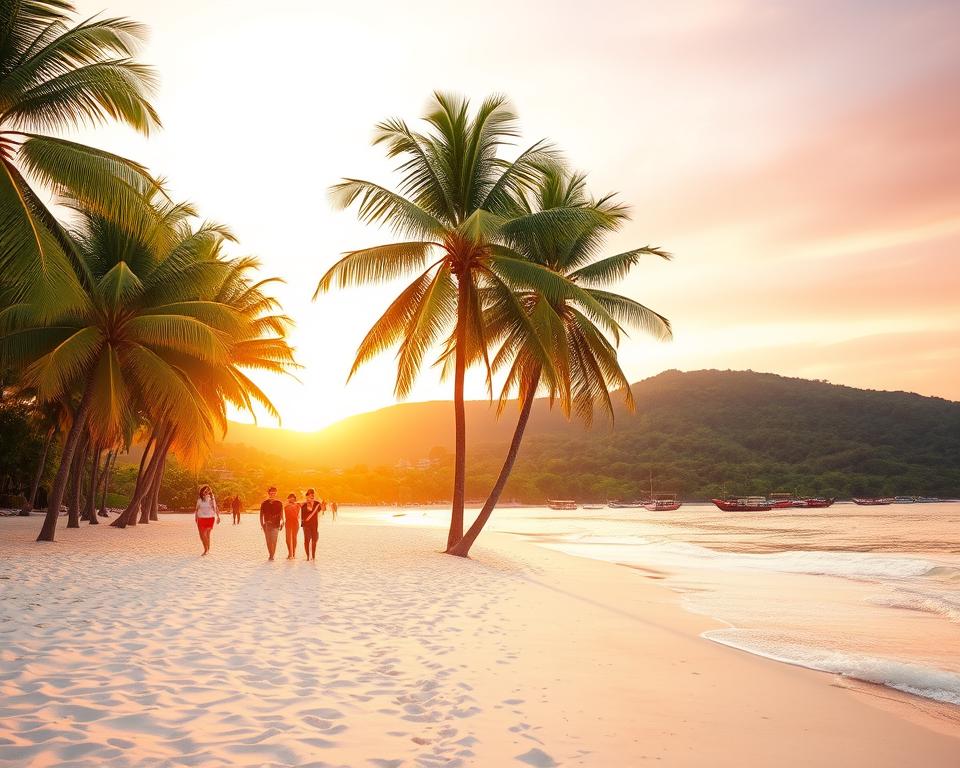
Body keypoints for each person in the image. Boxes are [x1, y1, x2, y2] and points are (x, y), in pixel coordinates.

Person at [195, 485, 220, 555]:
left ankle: (206, 549)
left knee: (205, 534)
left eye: (208, 491)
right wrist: (195, 517)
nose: (206, 492)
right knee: (202, 535)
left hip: (210, 518)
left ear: (210, 492)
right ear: (202, 492)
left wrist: (218, 517)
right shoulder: (199, 500)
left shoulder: (212, 500)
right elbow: (197, 509)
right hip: (200, 518)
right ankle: (207, 548)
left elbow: (216, 508)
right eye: (205, 491)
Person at [259, 487, 283, 561]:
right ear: (268, 493)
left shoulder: (279, 503)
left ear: (276, 493)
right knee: (268, 541)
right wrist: (261, 524)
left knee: (274, 540)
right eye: (271, 493)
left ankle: (272, 555)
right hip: (267, 524)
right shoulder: (264, 503)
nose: (272, 494)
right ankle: (270, 554)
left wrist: (283, 522)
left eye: (274, 493)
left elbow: (281, 514)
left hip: (276, 524)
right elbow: (261, 515)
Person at [301, 488, 320, 561]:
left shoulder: (317, 503)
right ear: (307, 496)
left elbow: (323, 509)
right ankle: (308, 556)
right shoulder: (304, 505)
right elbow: (303, 515)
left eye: (313, 494)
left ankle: (313, 556)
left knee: (314, 540)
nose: (312, 496)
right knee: (307, 540)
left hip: (315, 525)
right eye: (310, 494)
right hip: (306, 525)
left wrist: (323, 504)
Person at [283, 492, 300, 559]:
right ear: (288, 499)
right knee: (287, 539)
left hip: (295, 523)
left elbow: (306, 502)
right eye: (290, 498)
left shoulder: (297, 505)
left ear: (295, 499)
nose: (292, 499)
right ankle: (290, 552)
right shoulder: (285, 505)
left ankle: (293, 553)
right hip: (288, 523)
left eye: (293, 498)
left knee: (294, 538)